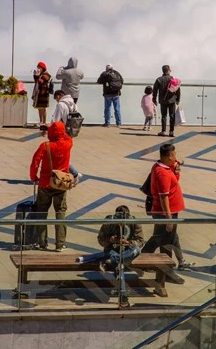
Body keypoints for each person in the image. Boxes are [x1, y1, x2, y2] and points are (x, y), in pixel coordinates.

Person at [142, 143, 193, 292]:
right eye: (175, 155)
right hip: (166, 212)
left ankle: (167, 267)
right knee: (162, 240)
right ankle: (158, 267)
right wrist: (169, 217)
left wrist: (176, 171)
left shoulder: (163, 168)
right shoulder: (162, 173)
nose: (176, 157)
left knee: (170, 239)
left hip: (168, 212)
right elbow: (163, 196)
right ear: (169, 156)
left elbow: (173, 184)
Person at [29, 120, 72, 252]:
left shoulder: (45, 146)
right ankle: (60, 244)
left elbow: (35, 162)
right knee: (60, 211)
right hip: (61, 183)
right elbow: (66, 136)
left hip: (45, 183)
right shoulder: (68, 143)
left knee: (42, 212)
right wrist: (57, 131)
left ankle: (42, 242)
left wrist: (33, 177)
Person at [76, 204, 144, 272]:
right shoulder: (109, 222)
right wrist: (110, 240)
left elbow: (140, 241)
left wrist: (128, 242)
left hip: (128, 250)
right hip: (112, 250)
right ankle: (115, 262)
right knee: (114, 255)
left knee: (137, 250)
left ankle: (110, 262)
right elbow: (100, 239)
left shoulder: (134, 223)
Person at [152, 65, 181, 138]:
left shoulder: (159, 79)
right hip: (172, 100)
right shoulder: (173, 79)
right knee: (172, 115)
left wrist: (154, 99)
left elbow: (155, 90)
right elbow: (178, 90)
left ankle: (163, 131)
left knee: (164, 116)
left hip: (163, 100)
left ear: (163, 71)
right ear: (169, 71)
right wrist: (178, 99)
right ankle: (171, 131)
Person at [32, 62, 52, 126]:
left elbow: (41, 82)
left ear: (43, 68)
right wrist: (35, 75)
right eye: (37, 67)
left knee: (43, 108)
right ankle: (41, 121)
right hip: (39, 93)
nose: (38, 69)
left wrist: (37, 76)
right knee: (39, 108)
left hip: (44, 93)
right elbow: (36, 81)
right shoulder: (40, 74)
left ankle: (44, 122)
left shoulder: (46, 75)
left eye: (39, 68)